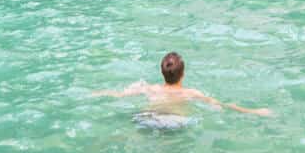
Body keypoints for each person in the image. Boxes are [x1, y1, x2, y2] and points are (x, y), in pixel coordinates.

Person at [93, 52, 272, 117]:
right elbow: (222, 105)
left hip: (147, 116)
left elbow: (118, 95)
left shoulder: (149, 88)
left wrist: (96, 93)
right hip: (172, 123)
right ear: (183, 74)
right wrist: (254, 111)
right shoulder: (190, 93)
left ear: (161, 73)